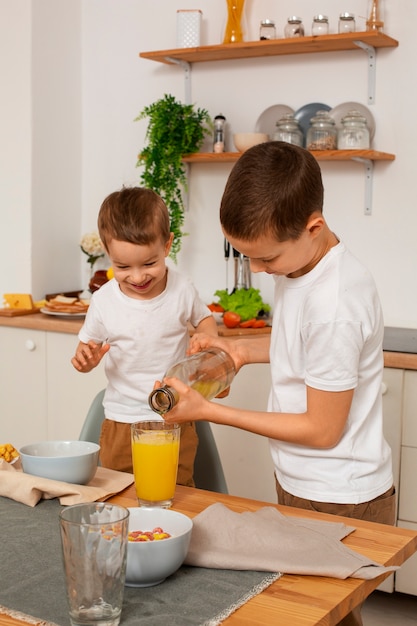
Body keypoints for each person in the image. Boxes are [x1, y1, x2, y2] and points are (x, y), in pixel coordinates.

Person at [158, 142, 394, 626]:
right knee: (322, 618)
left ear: (313, 226)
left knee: (316, 617)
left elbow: (323, 430)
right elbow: (297, 345)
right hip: (306, 480)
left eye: (266, 259)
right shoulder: (307, 262)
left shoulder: (335, 305)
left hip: (338, 493)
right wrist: (240, 350)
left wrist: (209, 413)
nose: (261, 271)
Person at [71, 186, 217, 486]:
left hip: (173, 417)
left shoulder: (182, 290)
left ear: (166, 245)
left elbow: (204, 319)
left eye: (149, 263)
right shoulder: (104, 301)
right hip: (121, 421)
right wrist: (85, 360)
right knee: (120, 495)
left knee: (175, 494)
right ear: (107, 252)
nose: (137, 277)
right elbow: (87, 346)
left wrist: (206, 343)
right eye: (123, 267)